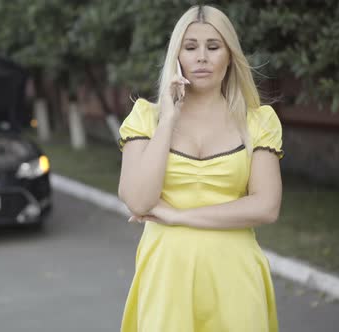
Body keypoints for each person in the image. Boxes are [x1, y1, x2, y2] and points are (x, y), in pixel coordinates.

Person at [117, 5, 282, 332]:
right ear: (176, 56)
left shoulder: (258, 121)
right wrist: (169, 118)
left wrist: (179, 217)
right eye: (190, 47)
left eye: (214, 46)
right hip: (164, 277)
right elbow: (138, 200)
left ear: (230, 57)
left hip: (235, 276)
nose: (202, 57)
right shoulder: (146, 118)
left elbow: (266, 207)